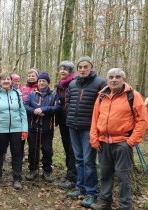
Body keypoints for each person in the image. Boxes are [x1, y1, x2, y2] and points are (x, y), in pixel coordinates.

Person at [89, 68, 148, 210]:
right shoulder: (102, 95)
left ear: (124, 79)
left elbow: (142, 120)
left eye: (117, 77)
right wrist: (94, 139)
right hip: (103, 143)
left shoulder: (133, 96)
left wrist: (131, 141)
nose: (114, 80)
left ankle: (125, 205)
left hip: (123, 143)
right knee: (104, 175)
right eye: (111, 77)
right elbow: (95, 118)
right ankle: (104, 202)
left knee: (123, 177)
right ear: (107, 79)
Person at [66, 56, 106, 208]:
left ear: (91, 68)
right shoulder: (72, 83)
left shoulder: (100, 83)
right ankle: (80, 187)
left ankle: (91, 193)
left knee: (89, 161)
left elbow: (104, 106)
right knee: (78, 159)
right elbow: (69, 102)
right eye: (80, 67)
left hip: (89, 128)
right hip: (72, 126)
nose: (82, 69)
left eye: (85, 67)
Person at [0, 72, 28, 190]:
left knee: (17, 152)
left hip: (16, 128)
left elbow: (22, 111)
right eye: (3, 79)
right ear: (0, 81)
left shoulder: (17, 93)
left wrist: (24, 129)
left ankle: (17, 178)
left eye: (8, 79)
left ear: (11, 81)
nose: (6, 81)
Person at [24, 71, 60, 182]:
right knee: (33, 149)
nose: (41, 83)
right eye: (40, 81)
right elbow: (25, 106)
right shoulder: (32, 94)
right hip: (33, 127)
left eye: (44, 81)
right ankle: (32, 169)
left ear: (48, 82)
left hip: (47, 128)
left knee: (47, 150)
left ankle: (47, 171)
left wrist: (44, 110)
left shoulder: (53, 94)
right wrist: (34, 111)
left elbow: (57, 107)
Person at [55, 61, 77, 189]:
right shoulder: (59, 85)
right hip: (63, 120)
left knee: (72, 149)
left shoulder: (75, 83)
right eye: (61, 69)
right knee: (66, 147)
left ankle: (73, 177)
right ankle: (70, 173)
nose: (62, 71)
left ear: (71, 71)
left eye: (65, 69)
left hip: (73, 121)